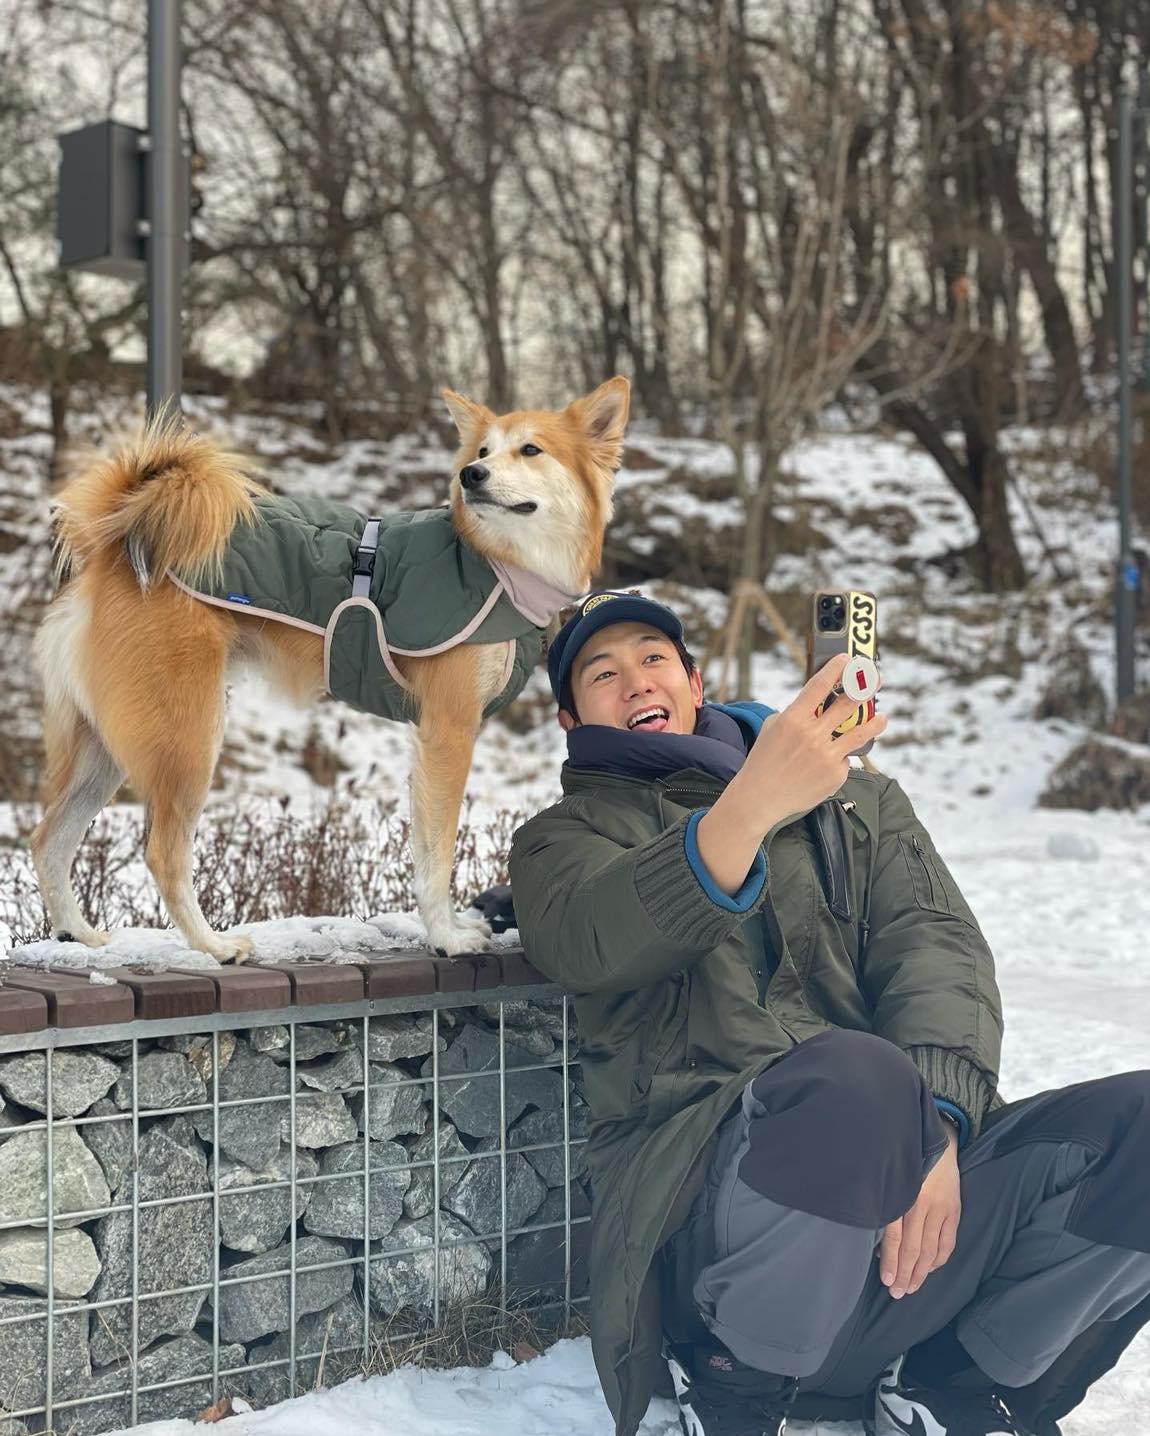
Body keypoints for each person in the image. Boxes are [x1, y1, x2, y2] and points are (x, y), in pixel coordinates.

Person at [506, 589, 1150, 1436]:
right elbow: (597, 934)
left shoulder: (857, 803)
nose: (634, 682)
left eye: (653, 658)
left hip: (905, 1240)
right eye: (602, 673)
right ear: (568, 718)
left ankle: (956, 1381)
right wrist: (752, 805)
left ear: (695, 681)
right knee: (857, 1079)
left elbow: (936, 949)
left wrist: (943, 1125)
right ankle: (735, 1395)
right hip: (721, 1248)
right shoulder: (560, 842)